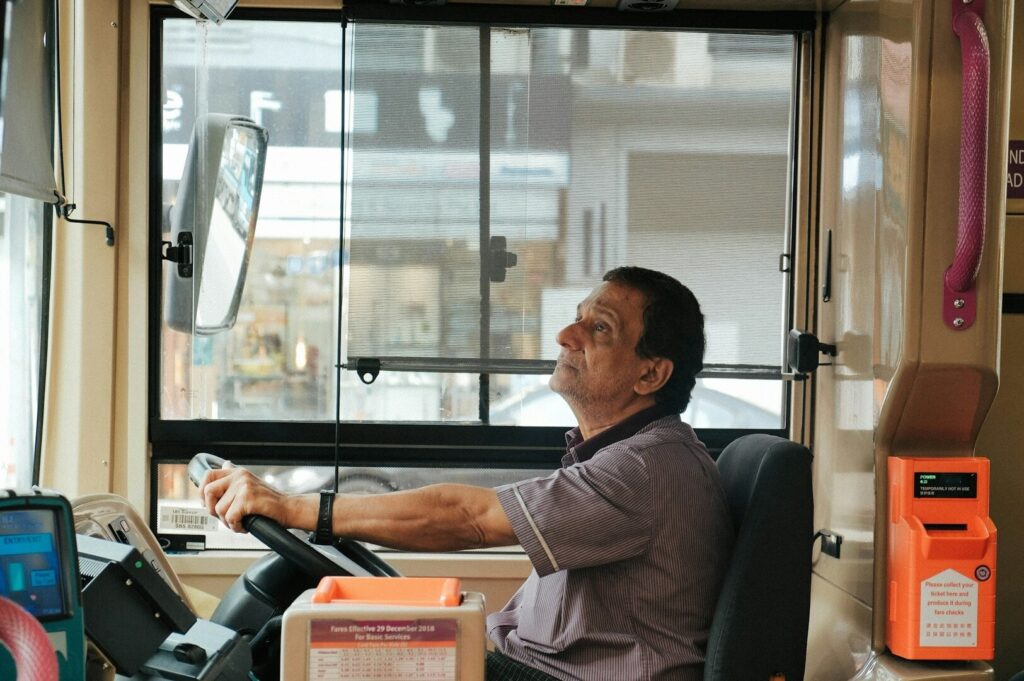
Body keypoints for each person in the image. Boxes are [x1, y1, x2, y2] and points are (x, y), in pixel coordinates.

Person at [199, 266, 735, 681]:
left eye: (599, 328)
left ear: (650, 373)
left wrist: (293, 508)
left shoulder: (643, 469)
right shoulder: (630, 456)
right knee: (301, 632)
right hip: (529, 667)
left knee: (282, 649)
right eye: (577, 316)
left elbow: (468, 518)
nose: (566, 335)